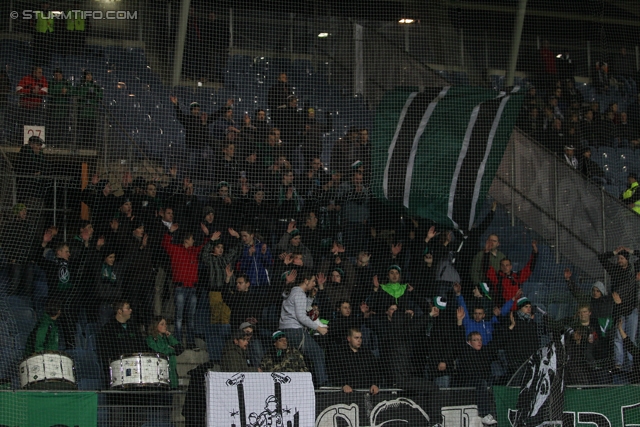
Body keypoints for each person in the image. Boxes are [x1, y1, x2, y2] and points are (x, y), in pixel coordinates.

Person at [279, 271, 328, 386]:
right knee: (318, 353)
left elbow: (301, 308)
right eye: (313, 281)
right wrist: (318, 328)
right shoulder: (299, 293)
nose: (314, 284)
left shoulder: (293, 291)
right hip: (295, 331)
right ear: (306, 281)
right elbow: (301, 316)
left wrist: (311, 297)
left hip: (286, 330)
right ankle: (322, 385)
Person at [161, 224, 206, 349]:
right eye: (192, 238)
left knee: (190, 318)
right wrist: (169, 233)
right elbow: (165, 245)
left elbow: (204, 247)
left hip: (192, 289)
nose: (193, 241)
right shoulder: (176, 250)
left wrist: (208, 236)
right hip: (180, 288)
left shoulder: (193, 252)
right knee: (179, 318)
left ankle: (191, 343)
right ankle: (179, 343)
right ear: (186, 239)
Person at [597, 247, 637, 371]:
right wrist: (614, 252)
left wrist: (630, 251)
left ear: (627, 259)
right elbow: (601, 258)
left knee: (631, 338)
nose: (619, 260)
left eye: (622, 258)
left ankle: (632, 365)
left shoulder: (633, 270)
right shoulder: (614, 270)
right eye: (618, 258)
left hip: (632, 310)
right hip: (619, 311)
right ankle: (618, 364)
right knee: (618, 338)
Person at [457, 332, 498, 426]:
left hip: (482, 380)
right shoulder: (465, 351)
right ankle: (484, 414)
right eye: (475, 340)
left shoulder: (484, 351)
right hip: (468, 381)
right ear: (469, 342)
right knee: (481, 382)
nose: (479, 342)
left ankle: (495, 413)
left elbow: (496, 343)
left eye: (480, 340)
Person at [96, 301, 144, 381]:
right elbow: (105, 352)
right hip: (118, 369)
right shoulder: (108, 329)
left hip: (135, 367)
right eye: (128, 308)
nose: (131, 310)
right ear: (119, 311)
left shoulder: (133, 327)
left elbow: (141, 345)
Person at [484, 241, 538, 309]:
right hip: (503, 310)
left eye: (507, 265)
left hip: (516, 310)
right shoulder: (497, 278)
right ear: (500, 267)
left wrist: (535, 253)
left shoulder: (517, 277)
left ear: (511, 266)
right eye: (503, 265)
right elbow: (486, 269)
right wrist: (486, 252)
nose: (505, 267)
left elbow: (529, 267)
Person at [332, 328, 380, 395]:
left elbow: (375, 371)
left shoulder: (367, 353)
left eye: (360, 338)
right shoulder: (340, 354)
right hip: (347, 394)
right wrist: (343, 385)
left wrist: (375, 384)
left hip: (366, 392)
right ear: (349, 338)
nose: (359, 340)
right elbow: (335, 373)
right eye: (356, 338)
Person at [146, 316, 184, 389]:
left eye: (165, 324)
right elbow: (159, 350)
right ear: (155, 325)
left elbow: (180, 349)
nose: (165, 326)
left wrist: (170, 337)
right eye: (162, 324)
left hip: (171, 374)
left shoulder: (167, 338)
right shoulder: (150, 338)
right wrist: (172, 349)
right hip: (159, 375)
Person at [75, 70, 103, 147]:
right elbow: (77, 93)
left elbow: (100, 95)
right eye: (87, 75)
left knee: (91, 132)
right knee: (82, 131)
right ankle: (81, 146)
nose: (89, 76)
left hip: (92, 114)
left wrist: (94, 93)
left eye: (90, 75)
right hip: (82, 113)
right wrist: (87, 93)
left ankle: (90, 147)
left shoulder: (95, 86)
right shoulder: (81, 85)